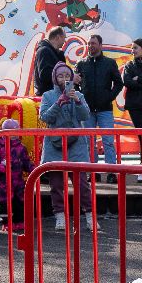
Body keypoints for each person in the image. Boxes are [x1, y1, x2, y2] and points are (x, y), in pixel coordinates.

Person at [38, 62, 93, 228]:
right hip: (55, 145)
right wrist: (59, 102)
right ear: (55, 78)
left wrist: (77, 102)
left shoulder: (79, 95)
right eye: (60, 76)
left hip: (76, 144)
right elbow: (45, 117)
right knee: (56, 184)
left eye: (67, 76)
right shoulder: (48, 96)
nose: (64, 79)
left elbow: (85, 116)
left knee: (82, 183)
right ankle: (60, 216)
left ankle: (89, 215)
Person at [73, 34, 126, 164]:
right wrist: (81, 99)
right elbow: (74, 84)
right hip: (87, 111)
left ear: (100, 45)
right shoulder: (81, 64)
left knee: (108, 141)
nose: (90, 46)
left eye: (93, 43)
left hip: (105, 110)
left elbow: (119, 83)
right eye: (89, 43)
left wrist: (109, 97)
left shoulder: (110, 63)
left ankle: (111, 171)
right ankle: (93, 171)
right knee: (89, 142)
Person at [0, 119, 33, 227]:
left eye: (16, 132)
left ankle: (20, 221)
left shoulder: (21, 147)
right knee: (5, 203)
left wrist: (33, 169)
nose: (14, 136)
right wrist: (0, 167)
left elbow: (26, 161)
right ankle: (6, 223)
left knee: (20, 202)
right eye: (11, 133)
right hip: (4, 182)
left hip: (18, 181)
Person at [31, 27, 69, 97]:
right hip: (48, 98)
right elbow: (45, 75)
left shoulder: (54, 53)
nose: (65, 41)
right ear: (58, 37)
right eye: (64, 38)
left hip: (53, 96)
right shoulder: (44, 50)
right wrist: (68, 76)